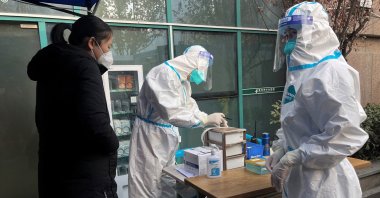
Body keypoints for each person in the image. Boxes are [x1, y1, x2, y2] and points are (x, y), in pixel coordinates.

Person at [266, 2, 369, 198]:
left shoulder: (330, 71)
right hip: (300, 180)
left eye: (294, 33)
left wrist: (295, 156)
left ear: (315, 32)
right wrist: (281, 149)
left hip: (326, 183)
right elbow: (293, 122)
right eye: (286, 34)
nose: (288, 40)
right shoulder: (300, 73)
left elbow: (345, 134)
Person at [27, 15, 119, 198]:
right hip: (84, 177)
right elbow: (96, 123)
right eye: (108, 47)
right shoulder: (85, 66)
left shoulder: (55, 64)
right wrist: (113, 144)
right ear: (92, 43)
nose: (108, 53)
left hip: (54, 170)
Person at [128, 45, 228, 198]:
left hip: (166, 136)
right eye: (202, 69)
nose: (202, 74)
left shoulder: (182, 81)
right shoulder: (163, 74)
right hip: (151, 139)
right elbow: (172, 113)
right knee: (147, 186)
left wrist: (211, 118)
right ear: (193, 63)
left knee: (168, 179)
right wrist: (205, 120)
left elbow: (188, 107)